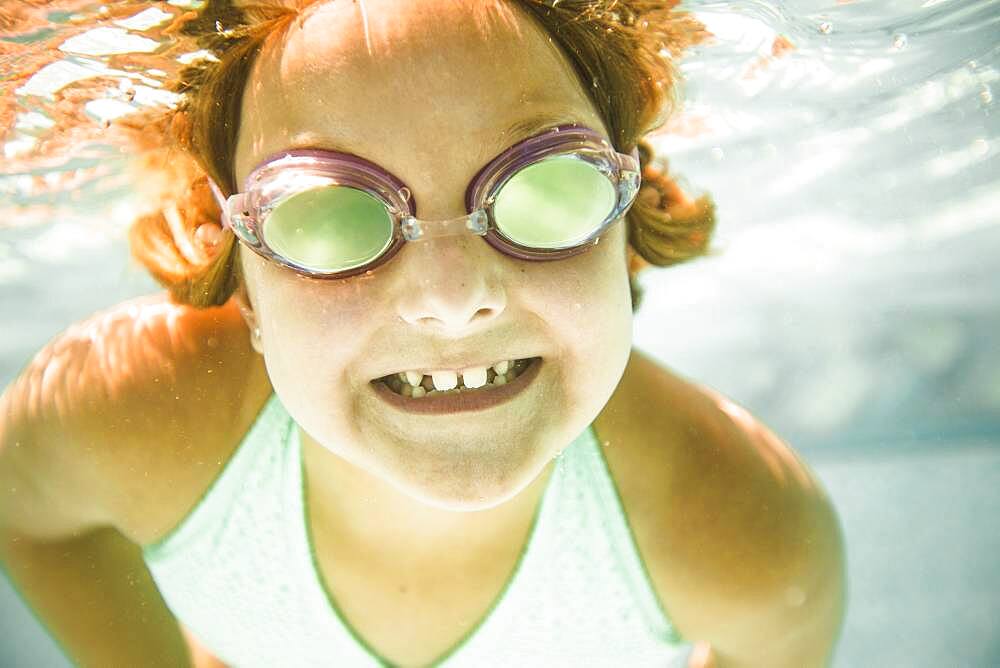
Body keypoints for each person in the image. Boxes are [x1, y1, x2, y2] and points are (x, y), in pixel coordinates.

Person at [0, 1, 845, 666]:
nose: (451, 298)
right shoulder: (127, 412)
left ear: (624, 235)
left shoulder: (746, 534)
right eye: (327, 218)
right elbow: (26, 518)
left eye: (547, 192)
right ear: (245, 290)